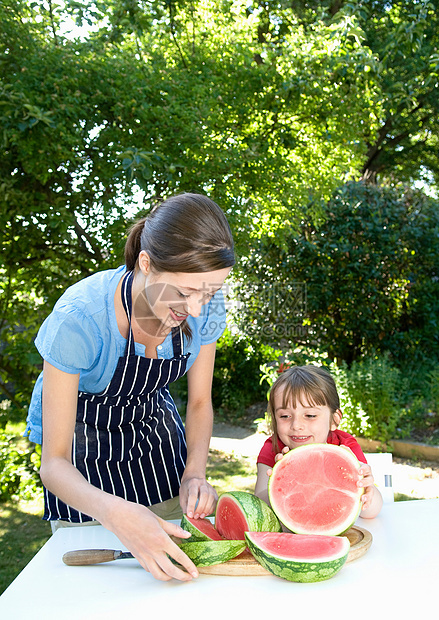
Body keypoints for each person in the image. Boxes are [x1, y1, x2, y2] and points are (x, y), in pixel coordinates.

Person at [24, 193, 235, 582]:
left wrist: (194, 473)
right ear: (146, 263)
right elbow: (53, 464)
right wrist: (115, 512)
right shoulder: (79, 321)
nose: (198, 310)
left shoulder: (204, 307)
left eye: (210, 292)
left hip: (156, 443)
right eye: (184, 292)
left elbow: (201, 402)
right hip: (84, 459)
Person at [254, 365, 383, 519]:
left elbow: (371, 512)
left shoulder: (345, 446)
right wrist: (283, 482)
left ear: (334, 420)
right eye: (285, 416)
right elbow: (259, 505)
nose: (296, 425)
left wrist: (367, 489)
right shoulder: (273, 448)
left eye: (310, 415)